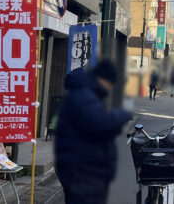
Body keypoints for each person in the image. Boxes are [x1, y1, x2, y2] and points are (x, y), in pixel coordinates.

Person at [54, 61, 132, 204]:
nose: (110, 88)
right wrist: (123, 115)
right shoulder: (83, 95)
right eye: (110, 83)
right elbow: (101, 123)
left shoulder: (83, 94)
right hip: (82, 172)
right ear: (103, 80)